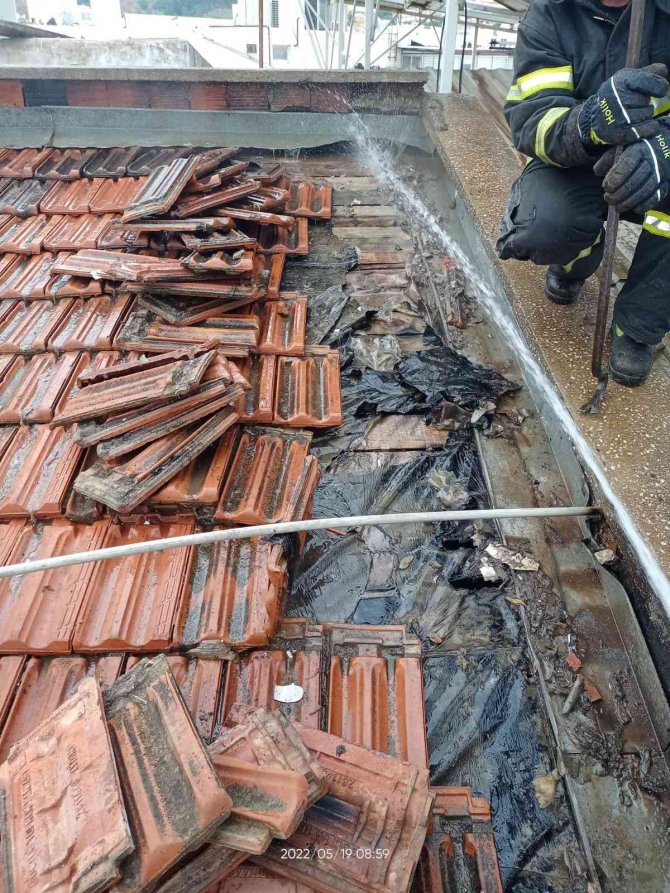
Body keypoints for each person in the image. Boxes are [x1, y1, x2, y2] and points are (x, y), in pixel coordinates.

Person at [497, 0, 670, 386]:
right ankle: (577, 258)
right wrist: (591, 121)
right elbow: (531, 120)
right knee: (544, 225)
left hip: (658, 161)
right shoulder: (550, 15)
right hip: (576, 160)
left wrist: (666, 150)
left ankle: (637, 327)